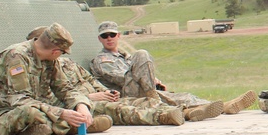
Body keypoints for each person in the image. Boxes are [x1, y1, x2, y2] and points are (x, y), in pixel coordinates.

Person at [89, 21, 255, 121]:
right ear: (99, 39)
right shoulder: (102, 60)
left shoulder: (125, 57)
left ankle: (215, 108)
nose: (109, 38)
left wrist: (155, 82)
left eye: (112, 34)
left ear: (118, 36)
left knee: (182, 96)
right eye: (105, 36)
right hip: (126, 97)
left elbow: (139, 73)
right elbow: (121, 79)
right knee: (142, 54)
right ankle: (159, 99)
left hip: (142, 91)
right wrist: (149, 83)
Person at [24, 27, 185, 127]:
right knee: (121, 111)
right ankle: (163, 116)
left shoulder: (68, 64)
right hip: (84, 105)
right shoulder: (39, 69)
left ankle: (183, 111)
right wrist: (90, 97)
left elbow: (90, 80)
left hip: (99, 98)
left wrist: (106, 92)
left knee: (140, 102)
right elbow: (51, 98)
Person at [0, 23, 112, 135]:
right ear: (56, 51)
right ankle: (70, 127)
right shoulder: (16, 56)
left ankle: (54, 128)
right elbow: (20, 100)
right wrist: (61, 113)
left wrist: (81, 105)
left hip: (40, 111)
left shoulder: (50, 60)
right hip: (3, 117)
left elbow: (65, 89)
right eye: (62, 53)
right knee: (31, 113)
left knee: (64, 111)